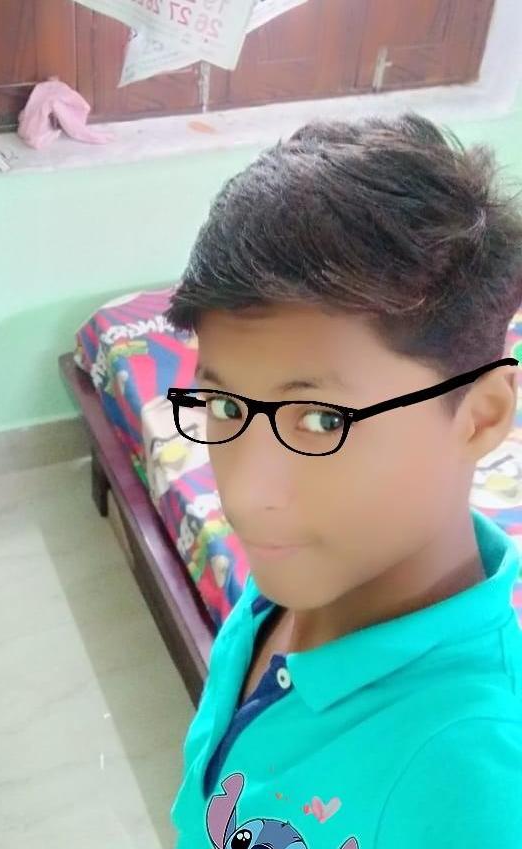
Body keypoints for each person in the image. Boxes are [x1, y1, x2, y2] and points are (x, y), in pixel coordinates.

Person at [163, 112, 522, 849]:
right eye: (226, 407)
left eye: (321, 420)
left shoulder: (471, 782)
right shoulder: (284, 593)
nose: (246, 495)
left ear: (481, 416)